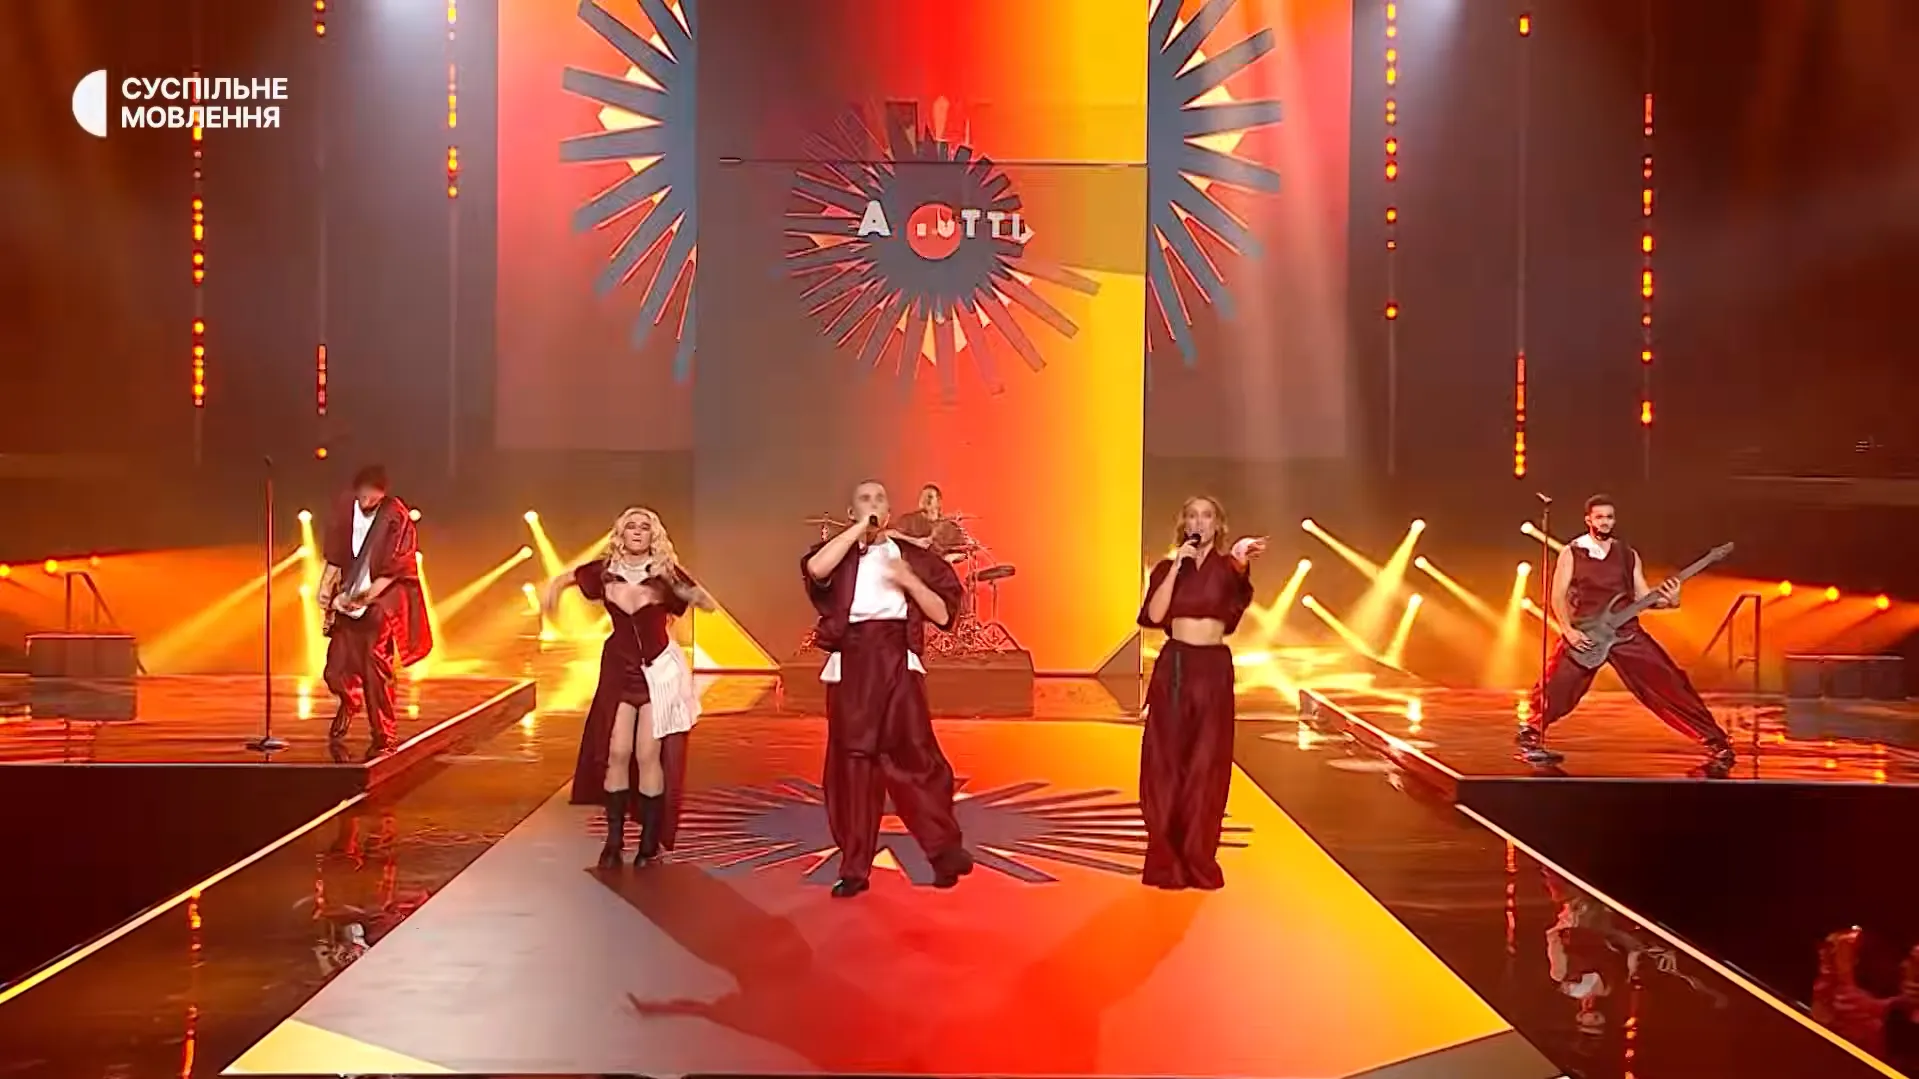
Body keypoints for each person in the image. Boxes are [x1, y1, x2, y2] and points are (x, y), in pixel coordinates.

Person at [803, 480, 971, 898]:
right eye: (864, 499)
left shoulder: (911, 557)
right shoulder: (840, 555)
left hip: (897, 661)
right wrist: (858, 531)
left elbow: (943, 615)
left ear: (891, 510)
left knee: (917, 760)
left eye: (879, 499)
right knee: (853, 768)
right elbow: (816, 570)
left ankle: (943, 852)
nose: (873, 505)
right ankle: (854, 868)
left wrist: (909, 581)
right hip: (852, 666)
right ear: (851, 511)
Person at [546, 507, 713, 869]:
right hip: (619, 670)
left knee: (647, 754)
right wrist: (551, 595)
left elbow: (702, 600)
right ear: (621, 534)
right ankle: (614, 841)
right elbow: (565, 578)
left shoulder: (665, 574)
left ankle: (648, 843)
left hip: (655, 672)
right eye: (631, 526)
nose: (637, 531)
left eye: (644, 527)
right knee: (617, 752)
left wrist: (690, 594)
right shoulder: (605, 571)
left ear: (653, 536)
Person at [1518, 495, 1735, 769]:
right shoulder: (1572, 552)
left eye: (1609, 517)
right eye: (1599, 517)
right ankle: (1530, 735)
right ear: (1588, 520)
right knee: (1557, 685)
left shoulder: (1627, 554)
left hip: (1625, 632)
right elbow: (1558, 596)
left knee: (1669, 682)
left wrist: (1672, 600)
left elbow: (1643, 597)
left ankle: (1715, 741)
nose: (1605, 522)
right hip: (1587, 631)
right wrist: (1568, 630)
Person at [1136, 495, 1266, 890]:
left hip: (1212, 671)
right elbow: (1154, 616)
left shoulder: (1228, 568)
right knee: (1166, 762)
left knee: (1206, 764)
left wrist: (1240, 558)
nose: (1199, 522)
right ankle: (1165, 857)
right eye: (1192, 515)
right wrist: (1177, 566)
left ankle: (1197, 856)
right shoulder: (1167, 568)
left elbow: (1237, 590)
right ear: (1184, 524)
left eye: (1207, 516)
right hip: (1176, 667)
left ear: (1217, 525)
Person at [317, 465, 432, 758]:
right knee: (336, 667)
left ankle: (384, 734)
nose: (367, 502)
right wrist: (326, 588)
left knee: (375, 664)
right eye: (364, 496)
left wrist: (365, 598)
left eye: (373, 497)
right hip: (349, 596)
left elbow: (396, 568)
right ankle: (349, 700)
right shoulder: (346, 507)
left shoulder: (396, 515)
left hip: (381, 601)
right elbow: (335, 553)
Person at [893, 483, 969, 559]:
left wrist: (950, 557)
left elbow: (964, 551)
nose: (924, 500)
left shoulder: (949, 527)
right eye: (922, 496)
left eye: (929, 497)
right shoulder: (908, 520)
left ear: (938, 502)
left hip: (937, 565)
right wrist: (916, 541)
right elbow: (891, 534)